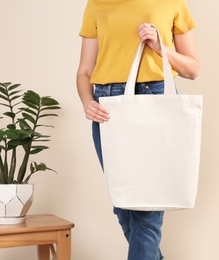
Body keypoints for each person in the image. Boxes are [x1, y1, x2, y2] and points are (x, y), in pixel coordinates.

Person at [76, 0, 199, 259]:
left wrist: (159, 47)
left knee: (146, 211)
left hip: (155, 99)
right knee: (125, 206)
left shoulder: (172, 2)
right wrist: (88, 103)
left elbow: (192, 69)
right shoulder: (97, 3)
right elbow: (85, 71)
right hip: (108, 109)